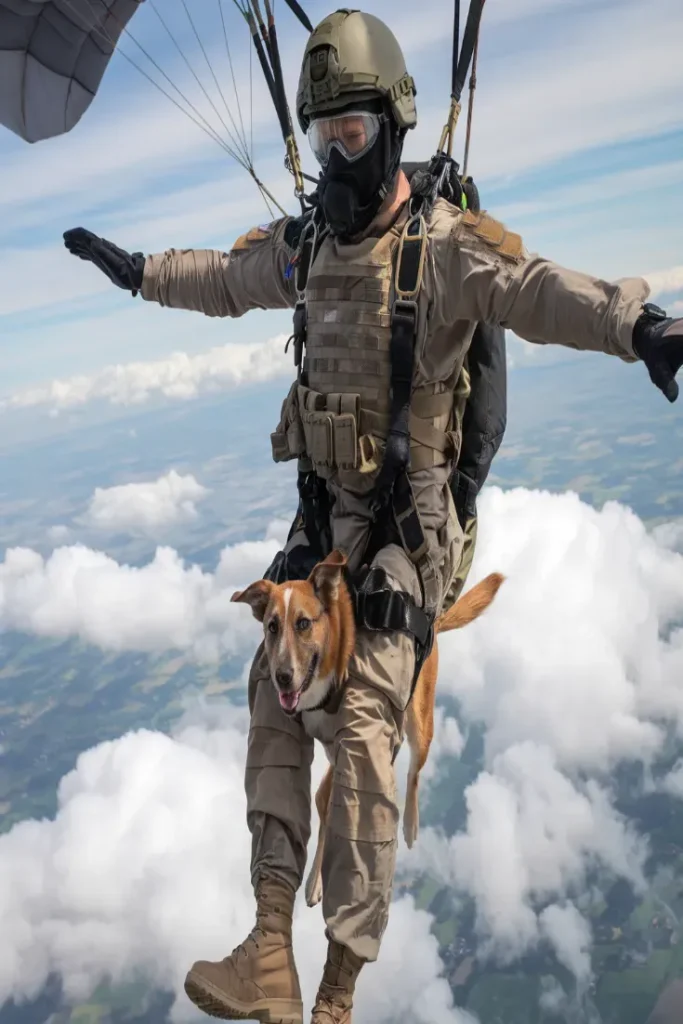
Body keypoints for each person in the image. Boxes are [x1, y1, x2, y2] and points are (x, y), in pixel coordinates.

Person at [63, 10, 683, 1022]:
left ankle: (336, 989)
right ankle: (268, 945)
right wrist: (137, 273)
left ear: (389, 127)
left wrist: (639, 324)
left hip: (405, 537)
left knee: (358, 731)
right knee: (272, 694)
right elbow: (223, 278)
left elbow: (534, 290)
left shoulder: (441, 251)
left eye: (349, 134)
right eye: (320, 138)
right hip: (324, 522)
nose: (332, 158)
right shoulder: (307, 249)